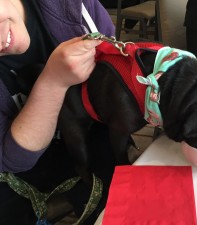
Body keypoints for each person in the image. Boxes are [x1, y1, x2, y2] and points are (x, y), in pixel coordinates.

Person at [0, 0, 116, 224]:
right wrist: (53, 81)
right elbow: (14, 158)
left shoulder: (75, 8)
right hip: (20, 183)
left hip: (93, 151)